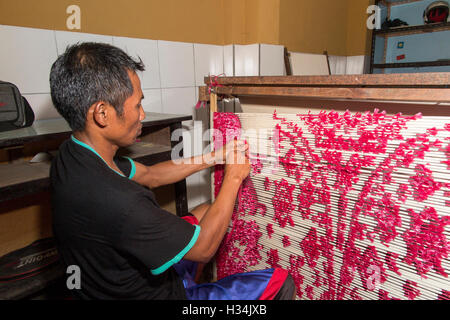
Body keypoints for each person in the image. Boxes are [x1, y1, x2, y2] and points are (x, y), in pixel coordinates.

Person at [49, 42, 295, 300]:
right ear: (102, 113)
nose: (142, 114)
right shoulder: (123, 203)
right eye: (137, 105)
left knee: (207, 211)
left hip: (111, 282)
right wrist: (233, 177)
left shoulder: (72, 155)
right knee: (281, 283)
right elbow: (203, 249)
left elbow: (150, 176)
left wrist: (214, 157)